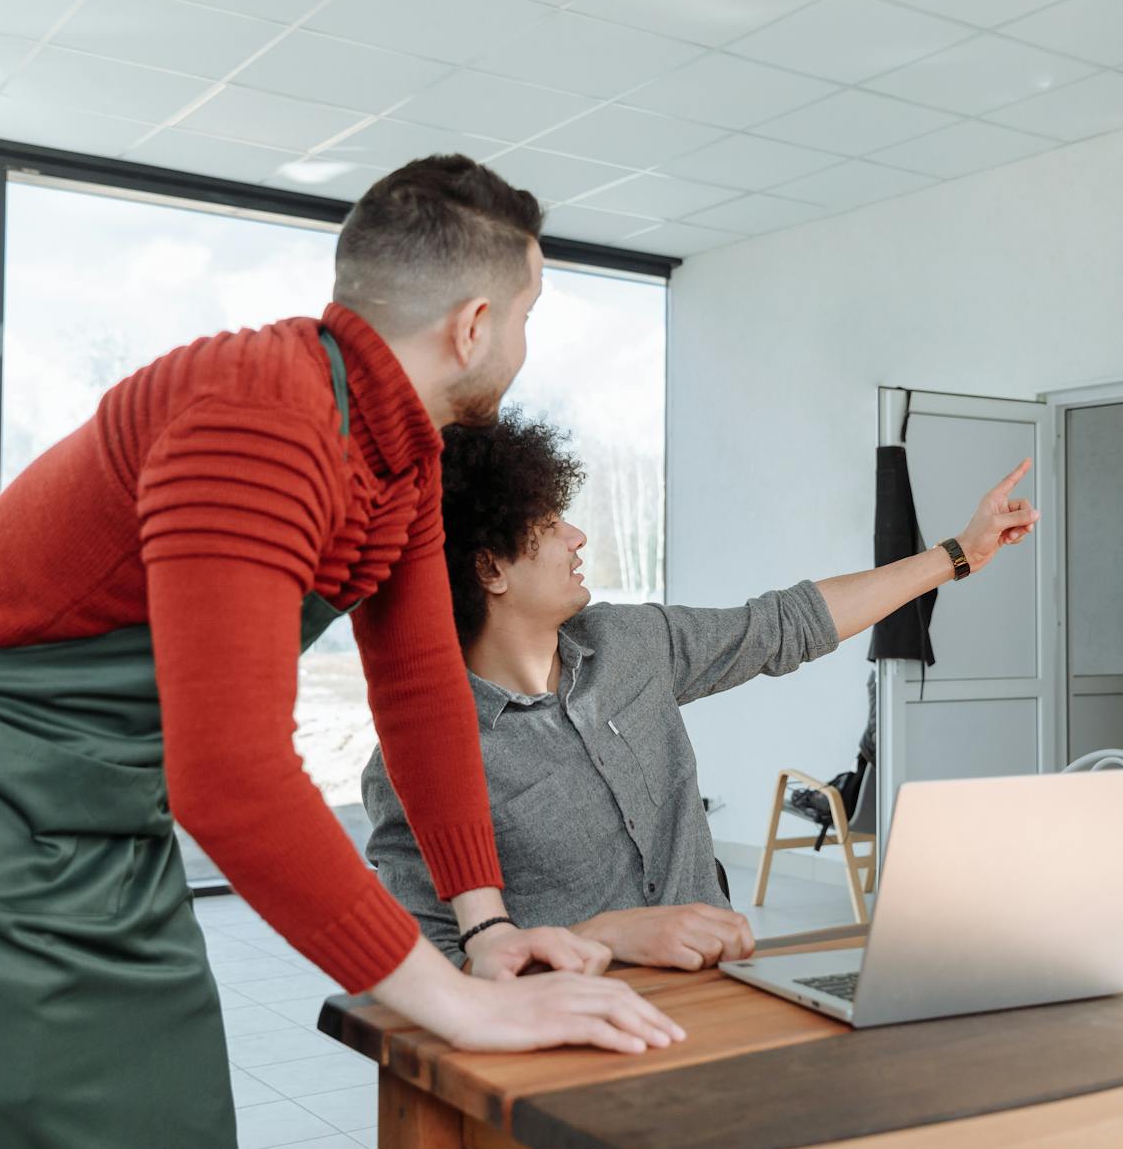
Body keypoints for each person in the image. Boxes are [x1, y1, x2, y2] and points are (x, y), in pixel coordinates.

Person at [0, 157, 681, 1149]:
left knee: (160, 1142)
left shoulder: (402, 459)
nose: (521, 342)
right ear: (474, 325)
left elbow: (422, 692)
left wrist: (486, 929)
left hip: (102, 823)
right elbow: (234, 774)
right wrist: (455, 1004)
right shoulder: (261, 411)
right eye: (527, 313)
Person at [362, 412, 1038, 971]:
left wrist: (958, 554)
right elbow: (432, 970)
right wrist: (602, 935)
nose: (577, 535)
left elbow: (785, 623)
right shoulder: (418, 763)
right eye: (547, 522)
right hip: (570, 1044)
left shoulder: (630, 642)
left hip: (719, 993)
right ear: (488, 568)